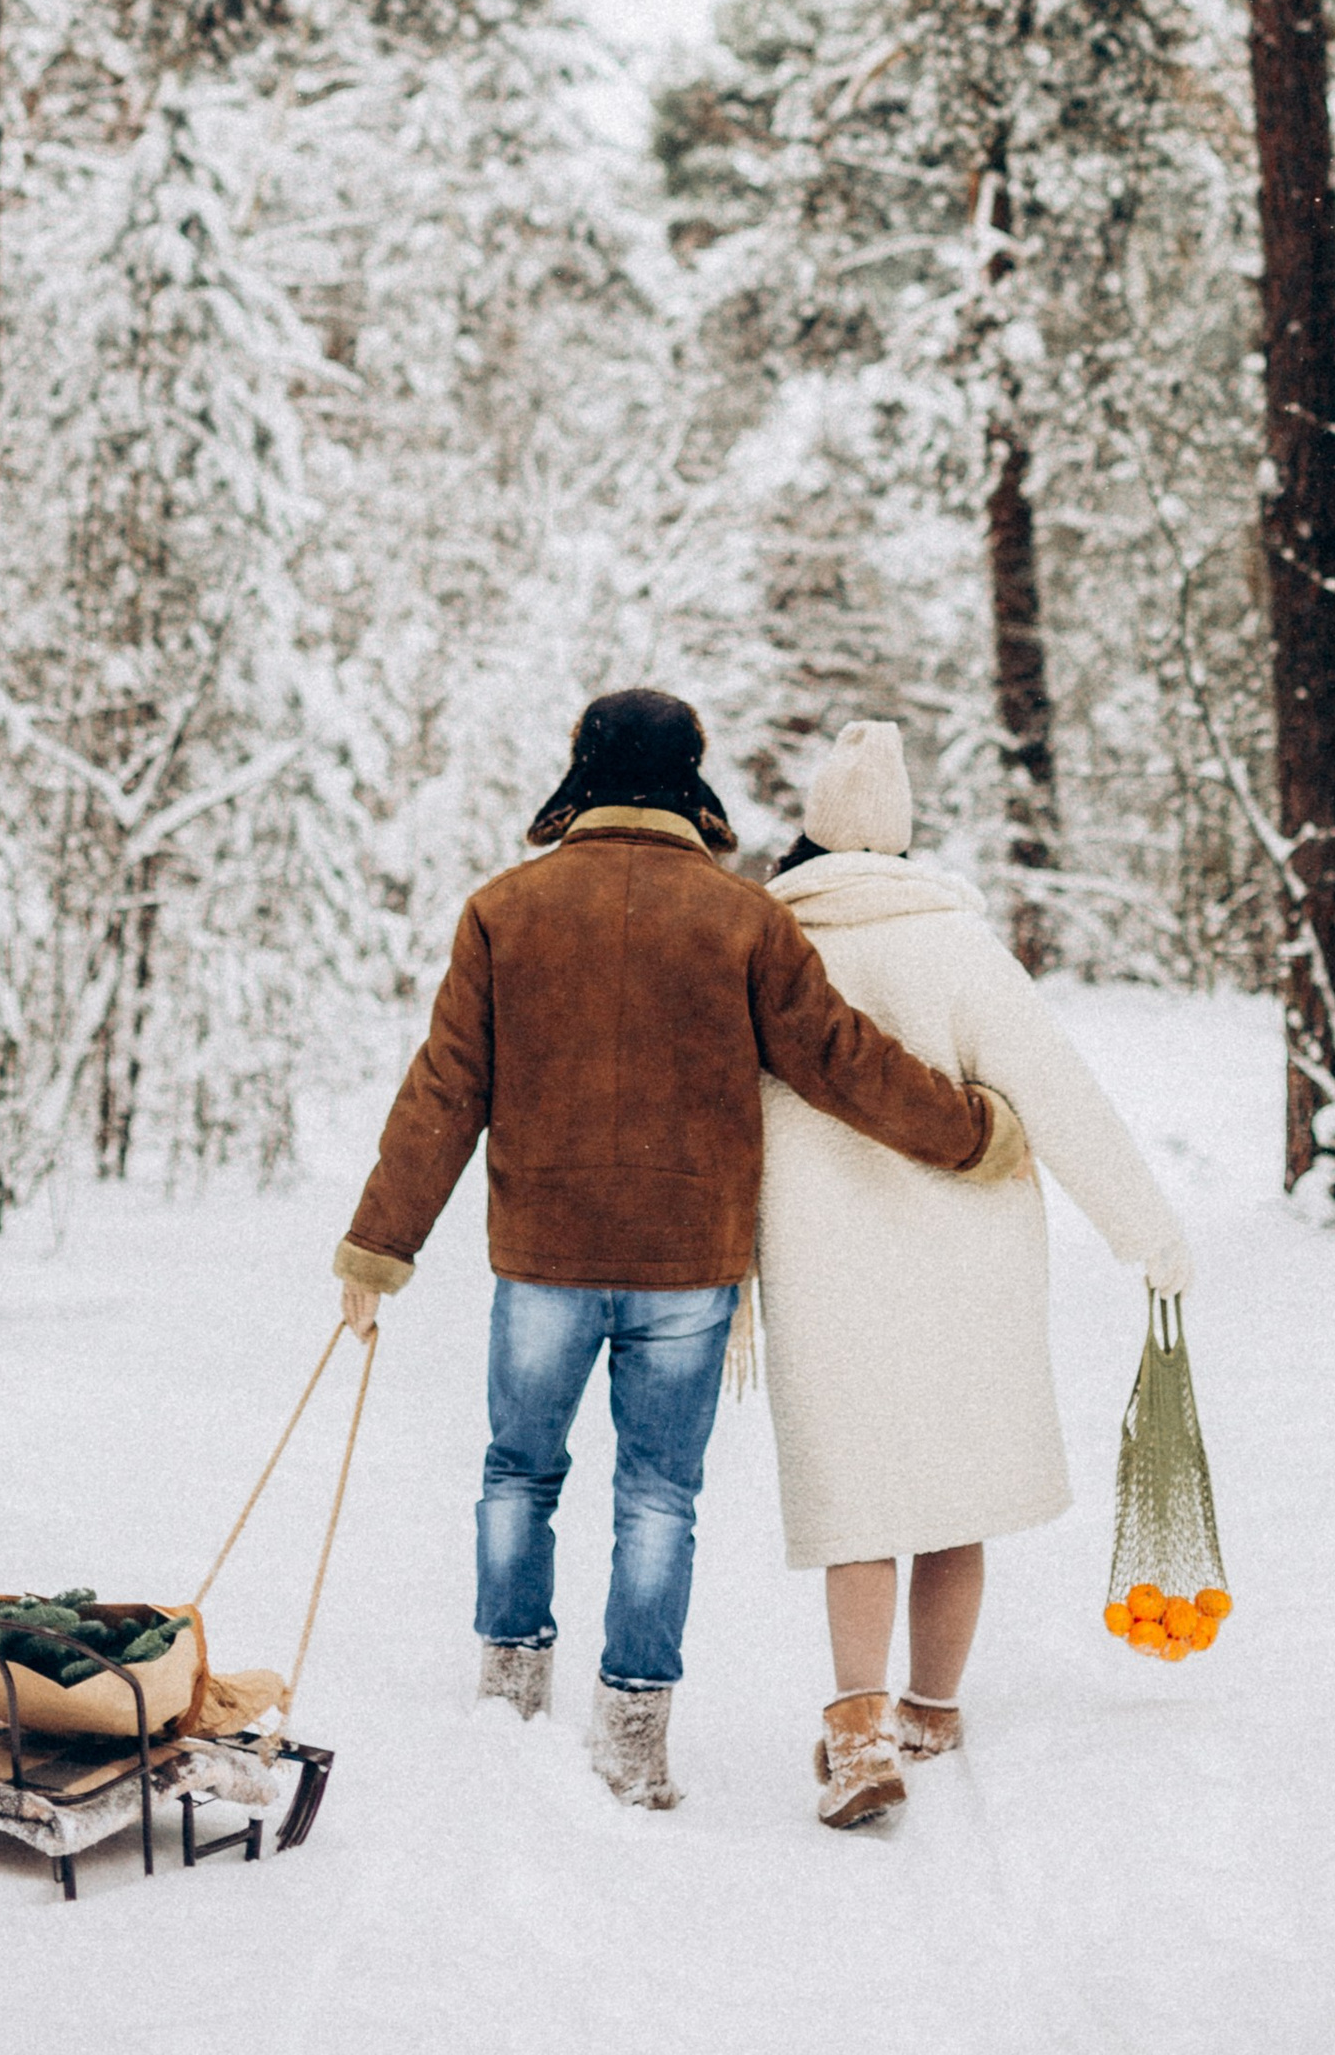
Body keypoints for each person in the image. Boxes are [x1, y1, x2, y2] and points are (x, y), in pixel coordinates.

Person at [332, 687, 1027, 1809]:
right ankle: (633, 1742)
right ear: (690, 778)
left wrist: (378, 1247)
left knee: (518, 1475)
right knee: (658, 1498)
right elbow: (839, 1059)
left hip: (543, 1259)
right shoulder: (742, 918)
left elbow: (445, 1090)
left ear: (582, 770)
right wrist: (970, 1134)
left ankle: (507, 1707)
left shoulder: (507, 909)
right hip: (686, 1266)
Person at [755, 718, 1194, 1829]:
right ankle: (932, 1710)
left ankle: (855, 1731)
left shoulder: (768, 952)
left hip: (821, 1268)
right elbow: (1062, 1098)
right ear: (904, 841)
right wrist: (1145, 1233)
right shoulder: (955, 948)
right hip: (969, 1262)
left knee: (856, 1503)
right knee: (954, 1495)